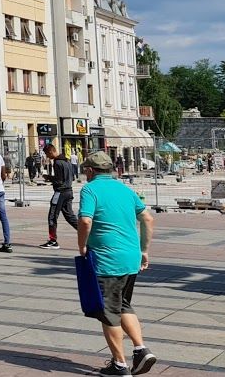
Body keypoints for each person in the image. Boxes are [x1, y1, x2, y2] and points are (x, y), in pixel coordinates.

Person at [78, 151, 159, 376]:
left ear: (91, 171)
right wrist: (144, 250)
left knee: (108, 312)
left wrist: (82, 246)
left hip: (107, 260)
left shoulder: (90, 189)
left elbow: (85, 220)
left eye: (86, 169)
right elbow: (148, 218)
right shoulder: (125, 190)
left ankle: (120, 365)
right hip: (130, 258)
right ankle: (141, 350)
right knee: (123, 304)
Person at [40, 142, 81, 249]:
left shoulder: (57, 163)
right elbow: (71, 177)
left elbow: (59, 180)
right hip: (69, 191)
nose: (48, 157)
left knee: (52, 216)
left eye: (47, 155)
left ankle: (53, 240)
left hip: (60, 192)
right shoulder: (66, 161)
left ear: (51, 151)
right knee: (69, 216)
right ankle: (86, 233)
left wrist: (49, 177)